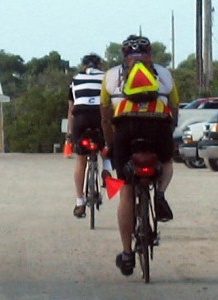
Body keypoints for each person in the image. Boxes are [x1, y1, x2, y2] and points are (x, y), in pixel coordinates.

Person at [100, 35, 179, 276]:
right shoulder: (164, 74)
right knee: (166, 161)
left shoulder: (111, 76)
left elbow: (105, 115)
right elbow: (174, 108)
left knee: (125, 190)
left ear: (123, 56)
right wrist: (168, 132)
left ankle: (126, 255)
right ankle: (161, 195)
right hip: (158, 126)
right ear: (150, 55)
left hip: (126, 131)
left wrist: (110, 144)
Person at [67, 53, 111, 218]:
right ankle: (106, 172)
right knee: (107, 145)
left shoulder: (75, 79)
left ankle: (79, 202)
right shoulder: (106, 78)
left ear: (83, 66)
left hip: (81, 118)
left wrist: (70, 135)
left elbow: (71, 109)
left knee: (80, 159)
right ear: (99, 65)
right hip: (99, 117)